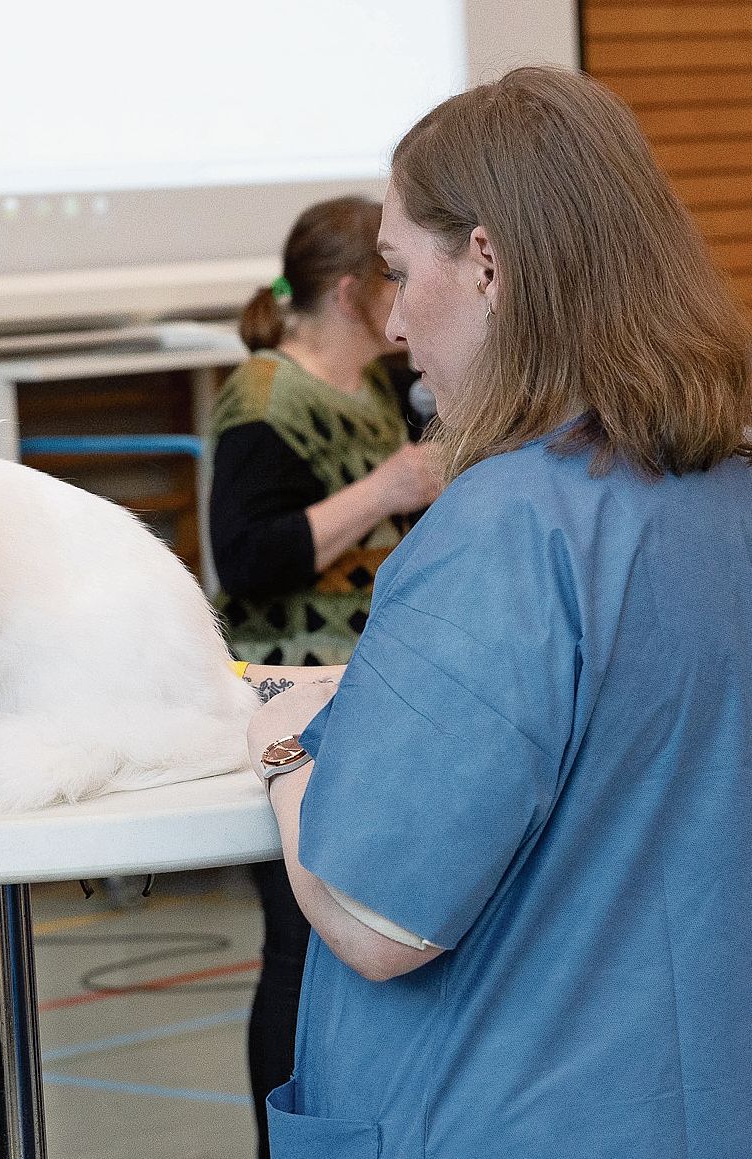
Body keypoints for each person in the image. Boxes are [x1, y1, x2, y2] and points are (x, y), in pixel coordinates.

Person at [247, 67, 752, 1159]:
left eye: (398, 272)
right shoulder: (726, 490)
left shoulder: (505, 526)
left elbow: (374, 915)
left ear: (485, 263)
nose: (392, 323)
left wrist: (286, 744)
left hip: (509, 1110)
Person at [207, 195, 442, 1158]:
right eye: (394, 278)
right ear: (351, 294)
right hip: (287, 695)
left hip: (366, 687)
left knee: (363, 930)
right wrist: (386, 489)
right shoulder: (264, 396)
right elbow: (244, 559)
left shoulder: (379, 387)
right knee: (299, 943)